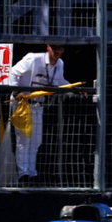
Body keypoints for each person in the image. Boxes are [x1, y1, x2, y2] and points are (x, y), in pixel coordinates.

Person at [5, 40, 67, 183]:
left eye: (61, 48)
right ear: (48, 47)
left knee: (36, 141)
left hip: (39, 105)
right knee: (24, 139)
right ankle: (23, 173)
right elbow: (13, 73)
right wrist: (16, 92)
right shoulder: (33, 58)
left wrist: (74, 88)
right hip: (23, 103)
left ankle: (32, 173)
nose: (57, 51)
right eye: (55, 48)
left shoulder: (60, 64)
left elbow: (60, 82)